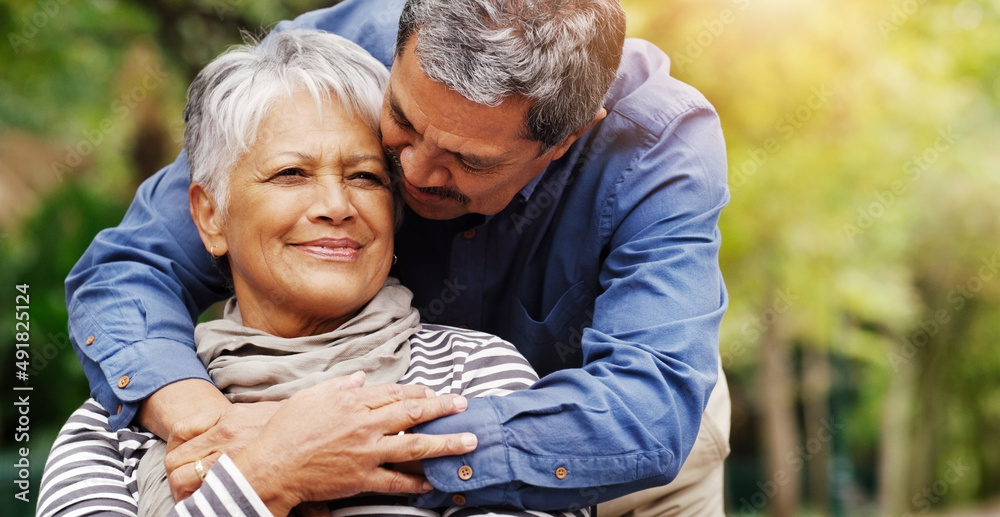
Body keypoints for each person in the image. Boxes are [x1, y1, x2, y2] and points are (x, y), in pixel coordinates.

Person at [65, 0, 732, 514]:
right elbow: (130, 270)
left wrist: (364, 447)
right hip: (338, 382)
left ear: (566, 140)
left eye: (468, 159)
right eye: (402, 122)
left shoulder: (658, 144)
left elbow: (648, 410)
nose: (411, 172)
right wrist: (232, 438)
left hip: (599, 436)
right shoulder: (331, 60)